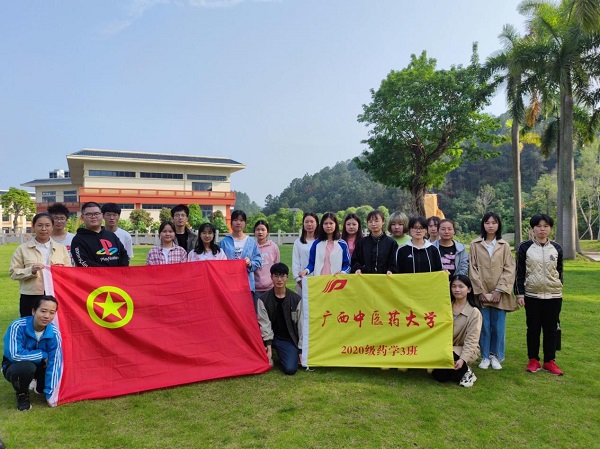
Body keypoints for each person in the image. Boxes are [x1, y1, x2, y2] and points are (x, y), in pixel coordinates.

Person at [515, 214, 564, 376]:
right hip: (532, 295)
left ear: (550, 228)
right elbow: (519, 272)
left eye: (545, 226)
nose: (542, 229)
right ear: (533, 229)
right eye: (538, 226)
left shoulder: (556, 248)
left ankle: (550, 361)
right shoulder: (525, 247)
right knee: (533, 328)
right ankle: (533, 360)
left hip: (553, 296)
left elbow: (559, 271)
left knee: (551, 329)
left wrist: (558, 287)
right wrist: (520, 294)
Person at [469, 212, 516, 371]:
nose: (490, 225)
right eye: (487, 222)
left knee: (498, 326)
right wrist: (480, 291)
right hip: (482, 292)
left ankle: (496, 355)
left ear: (498, 225)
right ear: (483, 224)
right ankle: (485, 356)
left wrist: (499, 290)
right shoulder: (475, 244)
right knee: (484, 325)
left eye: (494, 222)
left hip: (499, 294)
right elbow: (472, 269)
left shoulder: (504, 245)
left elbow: (509, 269)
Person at [2, 296, 63, 411]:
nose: (47, 316)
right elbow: (14, 355)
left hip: (41, 367)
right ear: (33, 311)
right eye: (43, 311)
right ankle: (22, 394)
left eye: (52, 312)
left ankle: (37, 384)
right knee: (25, 368)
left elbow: (55, 363)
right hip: (15, 365)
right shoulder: (17, 326)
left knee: (42, 388)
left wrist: (50, 393)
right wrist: (43, 354)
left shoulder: (54, 333)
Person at [9, 213, 71, 317]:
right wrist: (31, 270)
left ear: (52, 227)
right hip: (30, 296)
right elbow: (13, 273)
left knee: (55, 324)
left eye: (47, 225)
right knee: (29, 324)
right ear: (33, 227)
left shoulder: (61, 248)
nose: (44, 229)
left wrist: (60, 270)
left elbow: (69, 273)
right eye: (40, 225)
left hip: (55, 294)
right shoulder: (22, 249)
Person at [432, 275, 482, 387]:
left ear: (469, 289)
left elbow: (472, 340)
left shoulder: (474, 312)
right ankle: (460, 370)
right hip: (444, 348)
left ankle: (466, 371)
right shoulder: (445, 307)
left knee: (452, 362)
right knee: (440, 377)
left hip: (462, 349)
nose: (457, 289)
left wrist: (463, 359)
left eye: (461, 286)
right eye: (454, 286)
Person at [257, 263, 303, 375]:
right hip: (268, 336)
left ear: (287, 277)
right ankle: (268, 353)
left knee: (290, 369)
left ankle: (285, 354)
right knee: (258, 360)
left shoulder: (296, 299)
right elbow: (264, 324)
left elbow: (301, 326)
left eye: (282, 276)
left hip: (287, 339)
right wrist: (268, 346)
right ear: (271, 277)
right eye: (276, 276)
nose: (279, 279)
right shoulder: (263, 299)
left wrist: (301, 350)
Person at [219, 210, 262, 305]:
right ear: (231, 223)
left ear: (245, 223)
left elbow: (258, 260)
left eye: (241, 220)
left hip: (247, 285)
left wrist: (250, 263)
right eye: (235, 220)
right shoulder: (224, 242)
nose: (238, 223)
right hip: (229, 285)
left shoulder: (251, 242)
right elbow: (218, 262)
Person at [71, 202, 129, 267]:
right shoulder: (78, 240)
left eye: (96, 214)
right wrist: (106, 271)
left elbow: (124, 255)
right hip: (93, 273)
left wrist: (121, 270)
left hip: (117, 273)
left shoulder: (111, 235)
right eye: (89, 214)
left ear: (102, 215)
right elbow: (82, 262)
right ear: (82, 217)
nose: (93, 217)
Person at [300, 213, 351, 277]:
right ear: (322, 225)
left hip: (336, 280)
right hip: (320, 280)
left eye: (331, 223)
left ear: (335, 225)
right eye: (325, 223)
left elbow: (347, 265)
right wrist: (306, 271)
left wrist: (342, 272)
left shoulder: (342, 244)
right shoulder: (316, 243)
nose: (328, 226)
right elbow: (312, 263)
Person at [351, 210, 398, 275]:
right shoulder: (361, 242)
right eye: (370, 221)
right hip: (365, 278)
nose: (373, 224)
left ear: (383, 222)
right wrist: (358, 268)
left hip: (385, 278)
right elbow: (355, 260)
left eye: (376, 221)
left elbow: (394, 262)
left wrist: (391, 270)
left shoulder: (391, 243)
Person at [292, 212, 319, 294]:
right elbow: (295, 262)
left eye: (312, 221)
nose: (309, 224)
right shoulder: (298, 242)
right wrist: (299, 280)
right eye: (306, 222)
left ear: (317, 223)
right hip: (303, 280)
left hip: (319, 280)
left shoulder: (321, 242)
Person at [254, 220, 280, 294]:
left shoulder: (273, 246)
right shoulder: (252, 247)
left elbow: (277, 265)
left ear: (267, 232)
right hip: (255, 288)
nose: (260, 232)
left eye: (263, 230)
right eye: (258, 230)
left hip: (271, 287)